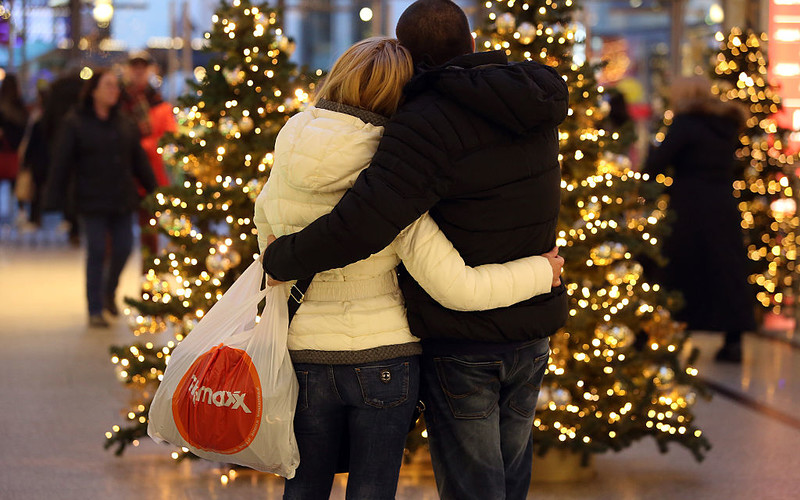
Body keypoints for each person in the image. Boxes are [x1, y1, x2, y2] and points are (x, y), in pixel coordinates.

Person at [261, 1, 569, 498]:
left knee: (472, 486)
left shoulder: (423, 121)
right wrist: (542, 272)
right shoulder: (533, 99)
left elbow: (363, 223)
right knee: (510, 477)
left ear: (410, 61)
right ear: (471, 43)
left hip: (462, 340)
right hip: (531, 329)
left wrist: (279, 260)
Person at [644, 75, 756, 363]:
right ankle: (734, 340)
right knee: (725, 268)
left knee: (680, 267)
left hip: (689, 206)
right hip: (722, 203)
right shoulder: (727, 125)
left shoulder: (686, 124)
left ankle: (663, 334)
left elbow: (656, 164)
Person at [45, 69, 157, 328]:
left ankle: (109, 291)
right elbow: (61, 162)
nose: (114, 90)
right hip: (90, 199)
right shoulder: (76, 122)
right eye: (108, 85)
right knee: (96, 250)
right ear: (93, 90)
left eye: (116, 86)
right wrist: (53, 199)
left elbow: (139, 160)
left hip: (121, 197)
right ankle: (94, 307)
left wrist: (154, 189)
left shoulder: (125, 122)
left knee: (124, 247)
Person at [120, 50, 177, 257]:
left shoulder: (159, 104)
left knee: (150, 236)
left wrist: (143, 146)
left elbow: (170, 139)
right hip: (122, 179)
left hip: (150, 178)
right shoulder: (118, 102)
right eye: (134, 67)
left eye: (142, 67)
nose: (138, 71)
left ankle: (148, 286)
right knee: (116, 240)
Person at [0, 74, 29, 211]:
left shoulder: (2, 104)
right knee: (17, 183)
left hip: (3, 149)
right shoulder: (20, 105)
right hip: (17, 150)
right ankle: (20, 211)